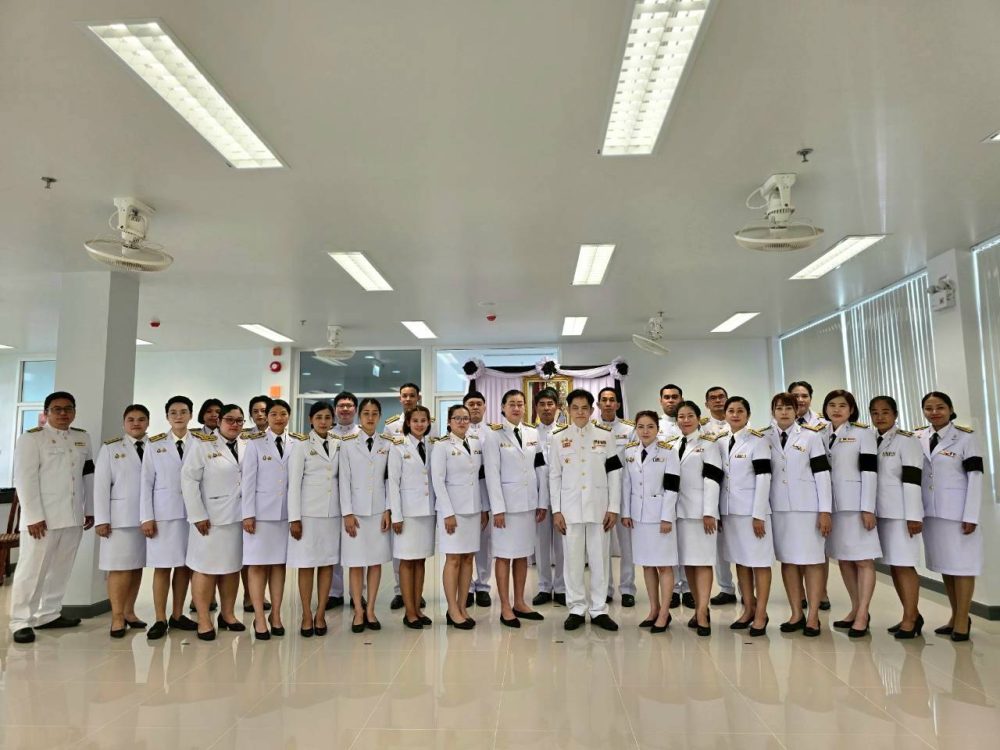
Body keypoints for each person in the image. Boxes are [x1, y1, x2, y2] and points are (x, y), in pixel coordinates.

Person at [9, 391, 95, 644]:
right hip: (42, 520)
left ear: (74, 412)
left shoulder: (82, 438)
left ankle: (49, 614)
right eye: (57, 409)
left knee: (61, 569)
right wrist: (33, 516)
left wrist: (90, 508)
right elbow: (24, 479)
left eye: (68, 408)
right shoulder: (32, 439)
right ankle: (20, 621)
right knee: (31, 571)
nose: (63, 413)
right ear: (46, 413)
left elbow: (88, 475)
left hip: (72, 516)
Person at [548, 389, 623, 632]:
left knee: (600, 560)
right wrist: (556, 510)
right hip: (569, 510)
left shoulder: (605, 436)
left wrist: (613, 507)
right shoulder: (558, 438)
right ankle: (576, 608)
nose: (580, 412)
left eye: (584, 408)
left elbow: (614, 473)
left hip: (599, 508)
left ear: (592, 410)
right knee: (573, 561)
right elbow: (554, 476)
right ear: (568, 410)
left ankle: (599, 609)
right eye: (575, 408)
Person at [916, 391, 984, 641]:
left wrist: (971, 515)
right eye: (929, 408)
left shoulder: (966, 437)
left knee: (962, 567)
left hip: (957, 514)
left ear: (950, 409)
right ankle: (956, 616)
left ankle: (963, 621)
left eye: (940, 407)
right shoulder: (918, 436)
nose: (934, 412)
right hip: (931, 513)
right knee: (946, 566)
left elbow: (975, 477)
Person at [766, 393, 832, 638]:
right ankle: (796, 613)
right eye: (779, 408)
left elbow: (822, 475)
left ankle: (813, 615)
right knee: (789, 561)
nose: (784, 412)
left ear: (797, 411)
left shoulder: (811, 436)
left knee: (813, 561)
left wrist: (825, 511)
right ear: (773, 411)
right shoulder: (763, 437)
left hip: (808, 509)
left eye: (788, 408)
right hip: (779, 509)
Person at [181, 403, 248, 641]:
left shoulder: (247, 445)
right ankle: (203, 619)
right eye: (229, 419)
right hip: (210, 519)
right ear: (219, 422)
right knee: (205, 568)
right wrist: (197, 514)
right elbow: (188, 480)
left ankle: (227, 615)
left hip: (238, 518)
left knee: (232, 568)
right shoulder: (202, 445)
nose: (234, 424)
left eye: (239, 421)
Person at [483, 390, 548, 628]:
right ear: (503, 407)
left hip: (528, 504)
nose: (516, 408)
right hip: (506, 507)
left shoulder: (532, 433)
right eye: (512, 404)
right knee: (503, 556)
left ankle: (520, 602)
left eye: (520, 404)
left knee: (522, 555)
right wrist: (497, 509)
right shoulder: (493, 435)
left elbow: (540, 468)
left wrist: (542, 501)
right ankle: (505, 606)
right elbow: (491, 473)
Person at [140, 396, 198, 639]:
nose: (178, 416)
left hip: (193, 515)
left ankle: (177, 614)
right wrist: (146, 517)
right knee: (163, 567)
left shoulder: (201, 442)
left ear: (190, 415)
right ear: (166, 417)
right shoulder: (155, 444)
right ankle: (160, 618)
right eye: (173, 412)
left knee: (185, 566)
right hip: (164, 515)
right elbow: (146, 482)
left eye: (183, 411)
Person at [824, 389, 880, 638]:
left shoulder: (862, 434)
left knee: (863, 560)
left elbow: (870, 471)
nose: (836, 410)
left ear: (851, 410)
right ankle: (856, 607)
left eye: (842, 406)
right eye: (832, 405)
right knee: (844, 559)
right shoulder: (820, 434)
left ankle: (863, 613)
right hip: (833, 507)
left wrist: (868, 507)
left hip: (856, 506)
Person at [241, 399, 299, 640]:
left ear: (288, 416)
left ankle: (276, 614)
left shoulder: (297, 443)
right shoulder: (255, 443)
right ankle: (259, 617)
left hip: (285, 515)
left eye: (283, 413)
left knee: (278, 566)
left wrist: (296, 516)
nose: (278, 418)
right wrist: (247, 514)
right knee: (257, 565)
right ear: (267, 417)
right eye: (273, 414)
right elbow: (248, 480)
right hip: (260, 516)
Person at [869, 396, 924, 639]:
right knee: (894, 565)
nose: (880, 417)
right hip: (881, 513)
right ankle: (911, 614)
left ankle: (911, 618)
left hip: (901, 514)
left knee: (904, 565)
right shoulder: (871, 438)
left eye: (885, 412)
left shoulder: (907, 441)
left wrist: (913, 516)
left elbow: (912, 479)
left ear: (895, 414)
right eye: (875, 412)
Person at [621, 410, 679, 633]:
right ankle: (653, 609)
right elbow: (626, 484)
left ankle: (664, 612)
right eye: (641, 427)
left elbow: (672, 487)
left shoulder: (668, 451)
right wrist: (626, 513)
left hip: (659, 518)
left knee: (663, 565)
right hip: (638, 517)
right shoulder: (629, 452)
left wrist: (666, 517)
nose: (645, 431)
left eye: (650, 426)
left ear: (657, 429)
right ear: (635, 429)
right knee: (646, 564)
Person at [94, 404, 150, 637]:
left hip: (147, 519)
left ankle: (129, 612)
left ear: (148, 422)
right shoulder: (111, 448)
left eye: (141, 419)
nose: (136, 423)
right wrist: (101, 519)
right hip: (119, 519)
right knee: (119, 568)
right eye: (131, 419)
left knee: (136, 566)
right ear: (124, 423)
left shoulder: (156, 446)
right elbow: (100, 486)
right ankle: (117, 617)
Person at [719, 396, 772, 636]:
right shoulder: (721, 441)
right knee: (740, 561)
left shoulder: (758, 441)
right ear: (725, 415)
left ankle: (761, 613)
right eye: (731, 410)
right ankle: (748, 607)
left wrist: (758, 514)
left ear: (748, 415)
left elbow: (764, 477)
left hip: (752, 513)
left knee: (759, 562)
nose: (735, 414)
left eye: (740, 410)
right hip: (730, 512)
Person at [288, 400, 341, 638]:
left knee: (327, 563)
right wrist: (294, 518)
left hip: (331, 514)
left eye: (327, 417)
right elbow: (294, 484)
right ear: (311, 420)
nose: (323, 421)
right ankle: (306, 614)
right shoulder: (301, 445)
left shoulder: (339, 444)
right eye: (319, 417)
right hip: (308, 515)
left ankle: (320, 614)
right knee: (307, 564)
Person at [339, 397, 393, 633]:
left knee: (375, 562)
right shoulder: (347, 444)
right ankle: (358, 611)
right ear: (359, 416)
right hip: (356, 513)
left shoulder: (387, 443)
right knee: (355, 563)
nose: (370, 418)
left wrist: (388, 510)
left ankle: (370, 609)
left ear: (379, 416)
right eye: (366, 413)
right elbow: (343, 481)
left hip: (378, 511)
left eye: (374, 413)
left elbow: (390, 480)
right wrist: (347, 513)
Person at [433, 404, 487, 629]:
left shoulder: (475, 442)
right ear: (449, 421)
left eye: (465, 418)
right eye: (457, 418)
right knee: (453, 559)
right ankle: (452, 609)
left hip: (473, 510)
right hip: (452, 512)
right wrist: (448, 513)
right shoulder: (441, 446)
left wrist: (483, 508)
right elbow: (438, 481)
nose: (462, 422)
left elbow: (480, 478)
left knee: (467, 559)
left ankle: (463, 606)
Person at [673, 400, 723, 636]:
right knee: (689, 563)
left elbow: (713, 479)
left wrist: (709, 511)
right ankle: (699, 608)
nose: (685, 420)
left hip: (701, 514)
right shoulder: (673, 444)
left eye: (690, 416)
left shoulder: (708, 444)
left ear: (698, 418)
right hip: (679, 514)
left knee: (703, 561)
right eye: (681, 416)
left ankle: (703, 612)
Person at [389, 405, 435, 629]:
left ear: (428, 423)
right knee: (407, 561)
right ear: (408, 423)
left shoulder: (433, 445)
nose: (419, 424)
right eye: (415, 420)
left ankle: (417, 607)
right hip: (406, 514)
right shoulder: (398, 446)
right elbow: (393, 483)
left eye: (423, 420)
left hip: (427, 512)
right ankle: (409, 613)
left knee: (420, 560)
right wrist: (396, 516)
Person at [787, 380, 832, 612]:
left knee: (817, 549)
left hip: (817, 492)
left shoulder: (824, 425)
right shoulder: (779, 425)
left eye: (804, 395)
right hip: (790, 499)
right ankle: (801, 595)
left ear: (811, 398)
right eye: (795, 396)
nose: (800, 400)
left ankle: (821, 591)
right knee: (793, 549)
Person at [385, 382, 427, 610]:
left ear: (418, 397)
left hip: (424, 505)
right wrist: (392, 510)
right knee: (401, 555)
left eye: (412, 395)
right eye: (404, 395)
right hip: (404, 504)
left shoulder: (429, 426)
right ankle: (400, 592)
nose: (408, 398)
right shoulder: (391, 426)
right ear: (400, 398)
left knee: (420, 556)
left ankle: (416, 596)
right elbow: (389, 471)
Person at [596, 387, 637, 608]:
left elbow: (633, 461)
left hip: (623, 492)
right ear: (598, 405)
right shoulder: (591, 429)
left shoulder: (629, 430)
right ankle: (606, 589)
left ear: (618, 405)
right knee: (602, 544)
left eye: (612, 400)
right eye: (604, 400)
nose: (608, 403)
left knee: (626, 545)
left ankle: (628, 589)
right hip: (600, 493)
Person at [531, 387, 566, 607]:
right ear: (536, 408)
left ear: (557, 407)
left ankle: (561, 587)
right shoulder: (529, 434)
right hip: (538, 496)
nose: (546, 408)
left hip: (562, 496)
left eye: (550, 404)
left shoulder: (566, 433)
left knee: (562, 544)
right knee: (541, 543)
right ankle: (544, 586)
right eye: (542, 404)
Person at [703, 386, 737, 607]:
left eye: (721, 397)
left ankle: (748, 591)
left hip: (738, 492)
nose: (718, 401)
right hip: (713, 489)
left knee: (741, 543)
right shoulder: (702, 428)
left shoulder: (742, 423)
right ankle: (726, 588)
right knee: (718, 544)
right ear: (706, 404)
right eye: (713, 398)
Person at [328, 390, 360, 610]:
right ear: (335, 409)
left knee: (359, 547)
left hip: (357, 498)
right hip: (330, 497)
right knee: (333, 547)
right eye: (341, 406)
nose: (345, 409)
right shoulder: (327, 434)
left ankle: (359, 594)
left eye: (349, 406)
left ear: (355, 409)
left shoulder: (363, 434)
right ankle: (334, 592)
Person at [464, 390, 493, 608]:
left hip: (487, 492)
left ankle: (483, 586)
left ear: (484, 407)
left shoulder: (493, 433)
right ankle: (466, 587)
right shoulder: (455, 432)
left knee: (484, 543)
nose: (475, 407)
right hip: (463, 496)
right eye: (470, 404)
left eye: (478, 404)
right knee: (464, 544)